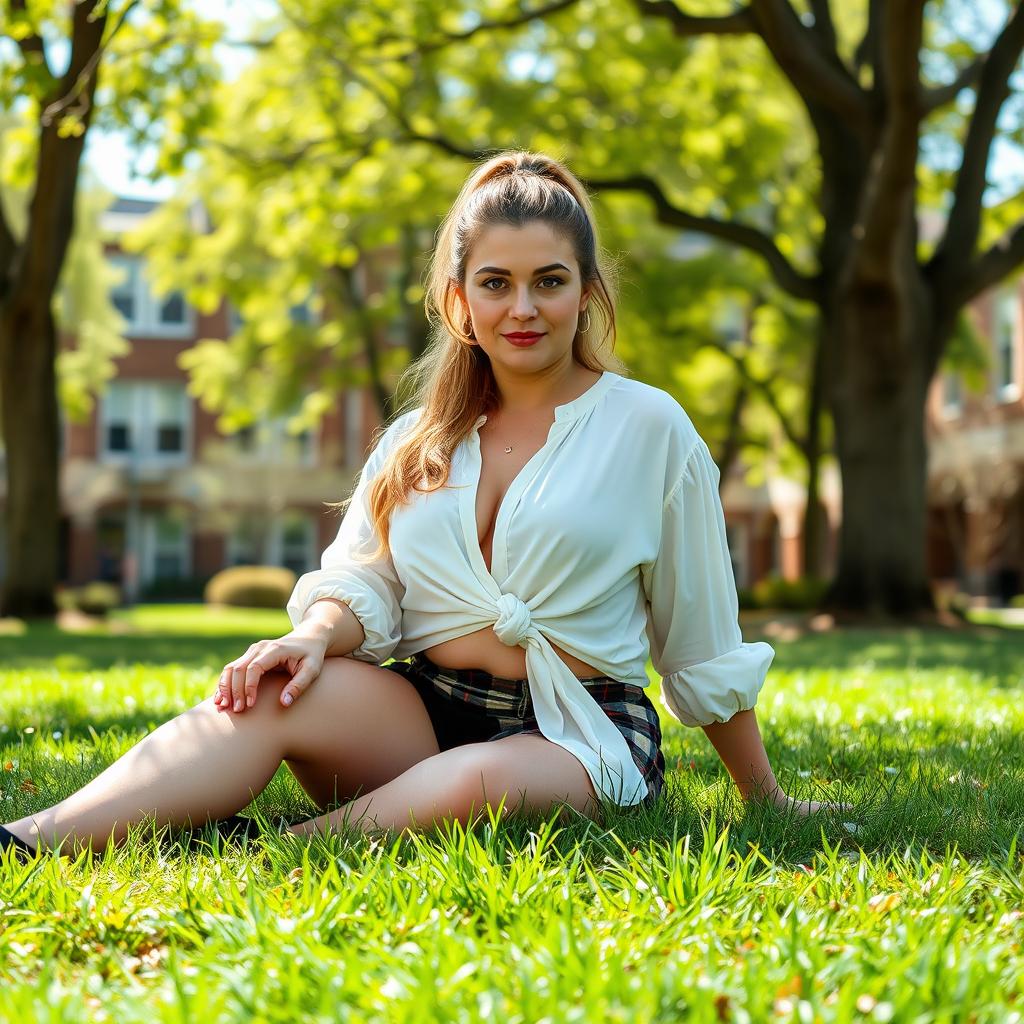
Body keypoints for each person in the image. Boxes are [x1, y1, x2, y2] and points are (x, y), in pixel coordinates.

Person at [1, 151, 845, 860]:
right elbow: (363, 580)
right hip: (424, 709)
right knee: (264, 694)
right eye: (496, 283)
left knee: (479, 781)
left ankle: (267, 850)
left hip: (581, 734)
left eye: (549, 281)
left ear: (587, 291)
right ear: (459, 300)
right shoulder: (418, 437)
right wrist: (309, 637)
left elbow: (700, 637)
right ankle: (30, 839)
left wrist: (762, 797)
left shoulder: (650, 427)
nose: (523, 308)